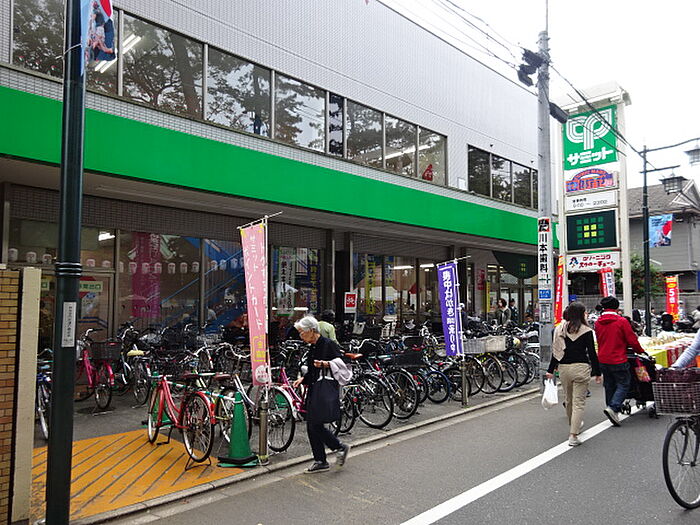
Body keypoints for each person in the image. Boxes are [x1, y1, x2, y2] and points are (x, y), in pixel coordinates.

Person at [292, 316, 350, 473]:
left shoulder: (328, 344)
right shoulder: (313, 346)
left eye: (302, 332)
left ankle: (335, 449)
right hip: (314, 388)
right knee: (313, 424)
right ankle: (323, 458)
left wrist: (326, 364)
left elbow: (343, 365)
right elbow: (312, 370)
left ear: (312, 330)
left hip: (324, 388)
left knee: (314, 424)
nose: (300, 336)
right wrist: (303, 379)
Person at [546, 302, 602, 446]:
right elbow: (592, 353)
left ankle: (574, 425)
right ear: (581, 314)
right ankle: (573, 434)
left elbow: (556, 351)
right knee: (579, 402)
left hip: (564, 368)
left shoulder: (560, 329)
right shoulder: (586, 331)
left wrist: (550, 370)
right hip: (581, 368)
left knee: (569, 400)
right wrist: (597, 372)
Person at [594, 296, 645, 426]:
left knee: (609, 384)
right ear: (616, 308)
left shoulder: (598, 322)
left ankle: (611, 409)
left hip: (603, 358)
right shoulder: (621, 321)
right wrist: (640, 350)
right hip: (618, 358)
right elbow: (632, 340)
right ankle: (614, 407)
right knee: (624, 383)